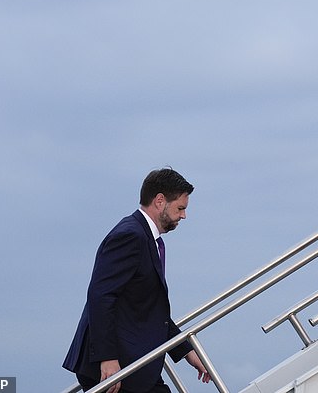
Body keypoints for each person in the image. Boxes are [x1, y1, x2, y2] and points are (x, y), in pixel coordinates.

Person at [63, 168, 212, 392]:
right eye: (180, 208)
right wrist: (108, 358)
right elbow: (101, 296)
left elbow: (149, 308)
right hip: (116, 367)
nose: (184, 216)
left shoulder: (147, 239)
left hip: (133, 365)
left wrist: (185, 350)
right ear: (160, 201)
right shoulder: (130, 235)